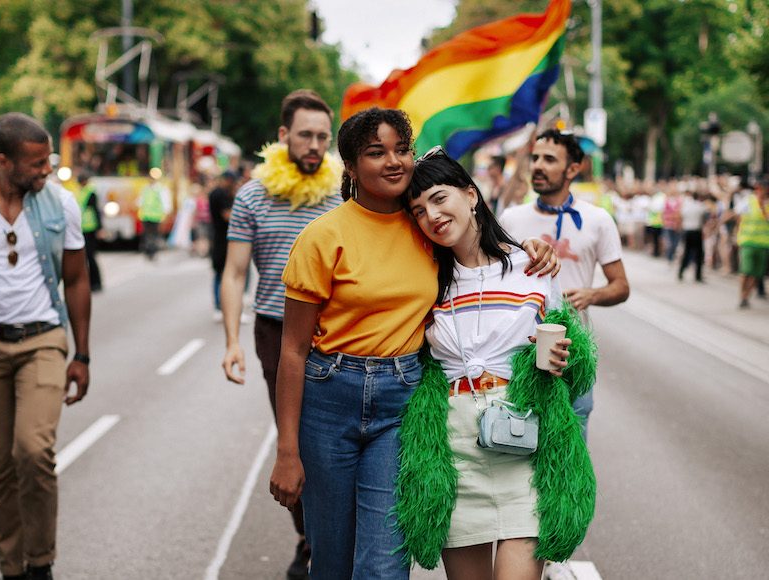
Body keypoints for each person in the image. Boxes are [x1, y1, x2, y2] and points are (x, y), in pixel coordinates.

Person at [268, 108, 559, 580]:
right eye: (376, 152)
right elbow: (293, 350)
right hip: (328, 397)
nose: (394, 161)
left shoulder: (425, 229)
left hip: (399, 402)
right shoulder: (321, 238)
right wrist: (286, 450)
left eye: (402, 149)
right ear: (350, 166)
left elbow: (478, 249)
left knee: (384, 566)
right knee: (332, 563)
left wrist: (531, 248)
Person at [404, 147, 578, 580]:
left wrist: (562, 359)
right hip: (456, 451)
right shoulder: (422, 277)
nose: (432, 215)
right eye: (419, 210)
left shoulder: (533, 266)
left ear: (471, 194)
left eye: (440, 198)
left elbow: (567, 353)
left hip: (522, 444)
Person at [220, 89, 343, 580]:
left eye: (321, 137)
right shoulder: (252, 194)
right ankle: (309, 537)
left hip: (337, 333)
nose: (314, 145)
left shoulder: (342, 190)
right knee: (292, 441)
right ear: (283, 136)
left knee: (331, 442)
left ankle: (331, 537)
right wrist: (231, 341)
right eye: (305, 135)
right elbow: (234, 274)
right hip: (275, 330)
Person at [0, 112, 91, 580]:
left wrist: (81, 354)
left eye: (48, 162)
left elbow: (77, 279)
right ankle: (11, 569)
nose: (46, 171)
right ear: (3, 161)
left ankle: (40, 564)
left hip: (42, 339)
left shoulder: (60, 204)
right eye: (37, 164)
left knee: (33, 451)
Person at [500, 129, 629, 441]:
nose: (538, 166)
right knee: (516, 445)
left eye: (549, 159)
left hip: (572, 353)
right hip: (518, 351)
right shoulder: (510, 218)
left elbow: (621, 286)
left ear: (573, 168)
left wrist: (592, 294)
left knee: (571, 450)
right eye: (535, 158)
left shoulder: (598, 220)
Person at [208, 170, 238, 319]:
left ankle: (219, 307)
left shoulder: (215, 193)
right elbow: (227, 215)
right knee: (222, 275)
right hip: (222, 240)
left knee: (220, 274)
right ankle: (220, 307)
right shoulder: (221, 194)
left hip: (219, 238)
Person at [735, 177, 769, 309]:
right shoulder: (748, 201)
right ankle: (742, 296)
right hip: (747, 241)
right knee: (745, 271)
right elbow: (738, 216)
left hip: (764, 244)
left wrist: (763, 206)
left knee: (756, 273)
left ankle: (746, 296)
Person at [74, 172, 103, 291]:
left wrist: (100, 228)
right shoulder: (78, 192)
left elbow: (96, 211)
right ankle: (89, 282)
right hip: (81, 228)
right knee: (84, 257)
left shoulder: (91, 192)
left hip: (90, 228)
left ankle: (96, 282)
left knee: (91, 256)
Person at [677, 190, 708, 282]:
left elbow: (681, 216)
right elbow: (704, 218)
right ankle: (697, 276)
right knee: (698, 254)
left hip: (687, 231)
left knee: (686, 252)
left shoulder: (686, 206)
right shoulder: (701, 206)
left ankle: (681, 272)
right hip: (696, 231)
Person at [138, 175, 169, 260]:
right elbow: (140, 201)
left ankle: (152, 251)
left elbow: (165, 202)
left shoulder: (160, 189)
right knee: (147, 234)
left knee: (154, 235)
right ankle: (148, 250)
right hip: (146, 215)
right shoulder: (145, 189)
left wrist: (165, 214)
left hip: (156, 216)